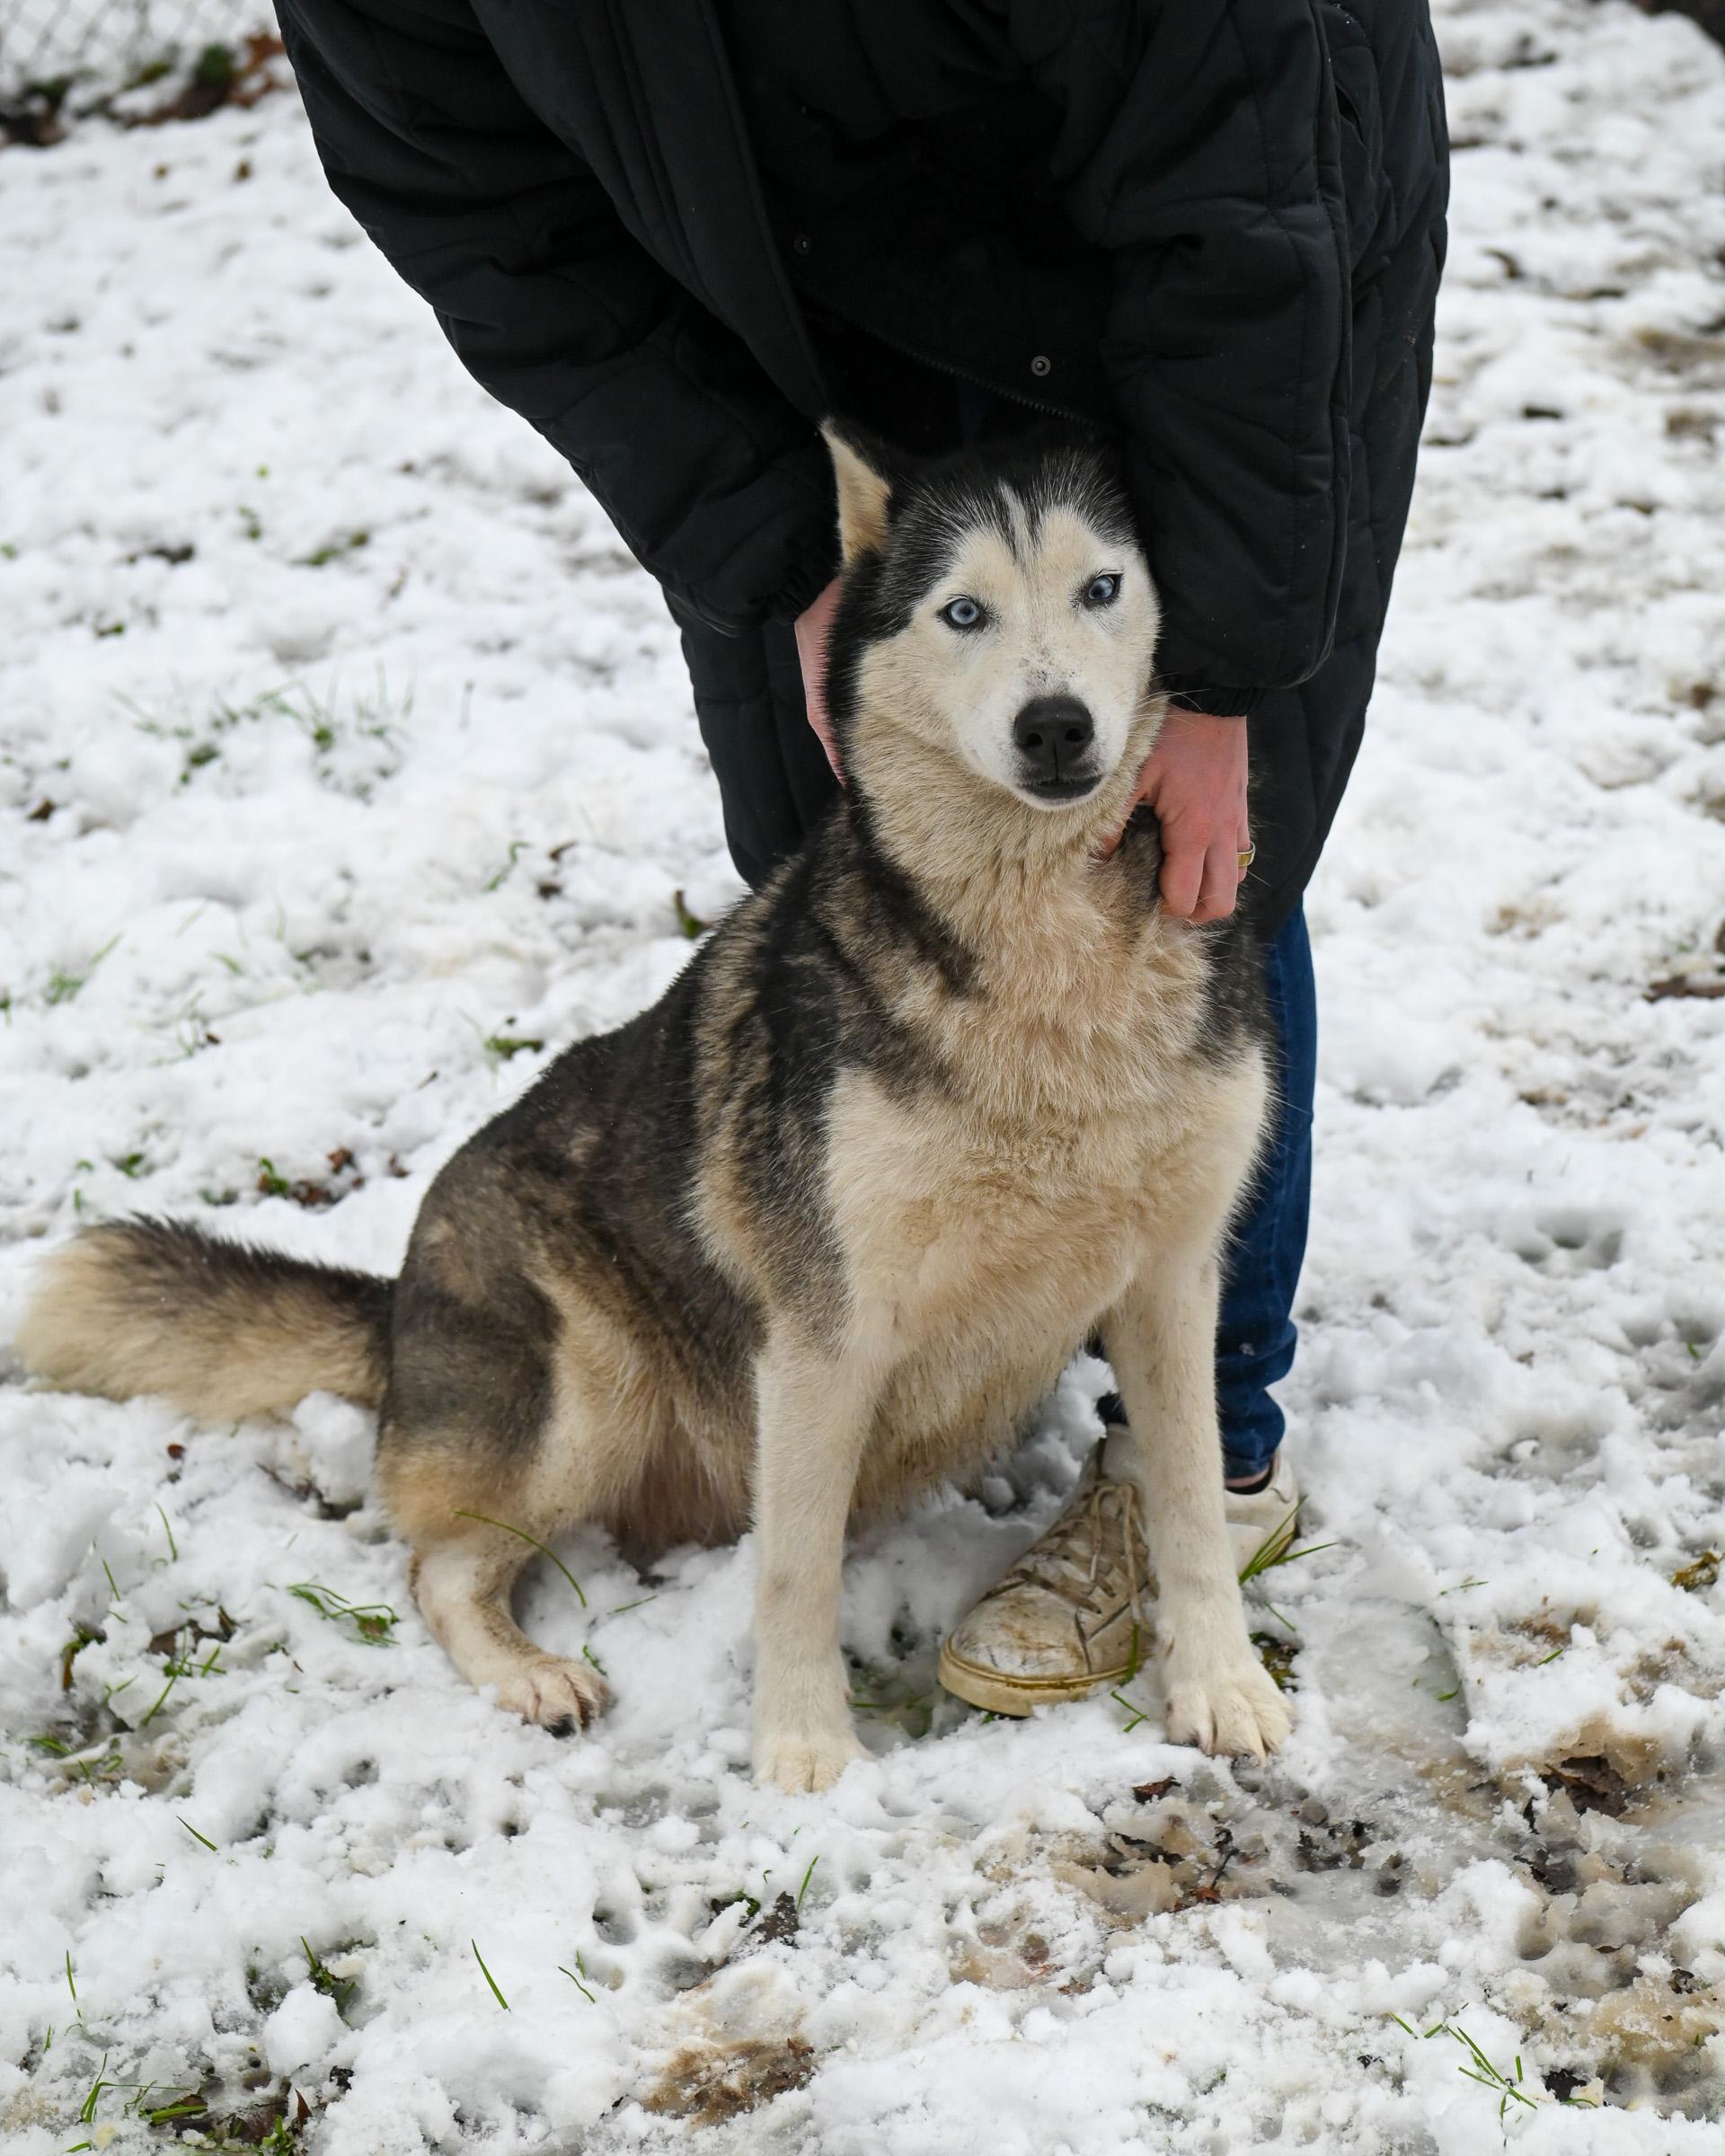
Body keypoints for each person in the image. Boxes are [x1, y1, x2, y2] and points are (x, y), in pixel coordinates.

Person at [271, 0, 1447, 1713]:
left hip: (1228, 241)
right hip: (777, 316)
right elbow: (488, 211)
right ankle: (936, 1311)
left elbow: (1239, 207)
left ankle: (1210, 1453)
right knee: (853, 847)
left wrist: (1226, 676)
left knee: (1188, 867)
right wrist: (769, 525)